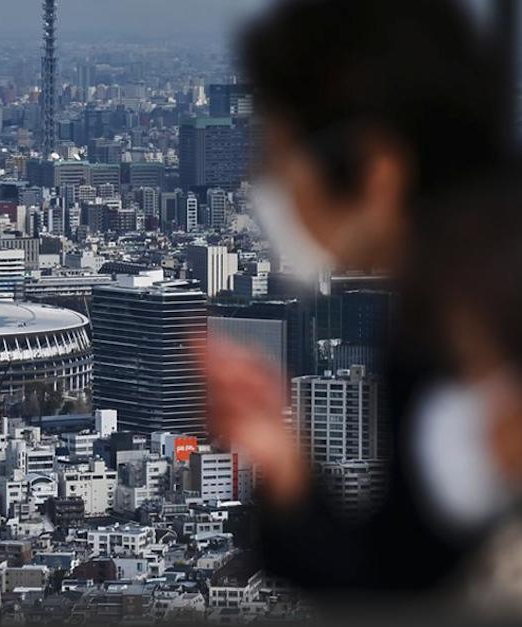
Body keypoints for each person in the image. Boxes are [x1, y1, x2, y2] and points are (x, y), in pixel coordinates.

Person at [196, 0, 515, 599]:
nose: (265, 190)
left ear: (374, 167)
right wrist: (288, 474)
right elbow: (396, 576)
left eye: (277, 160)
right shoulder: (419, 336)